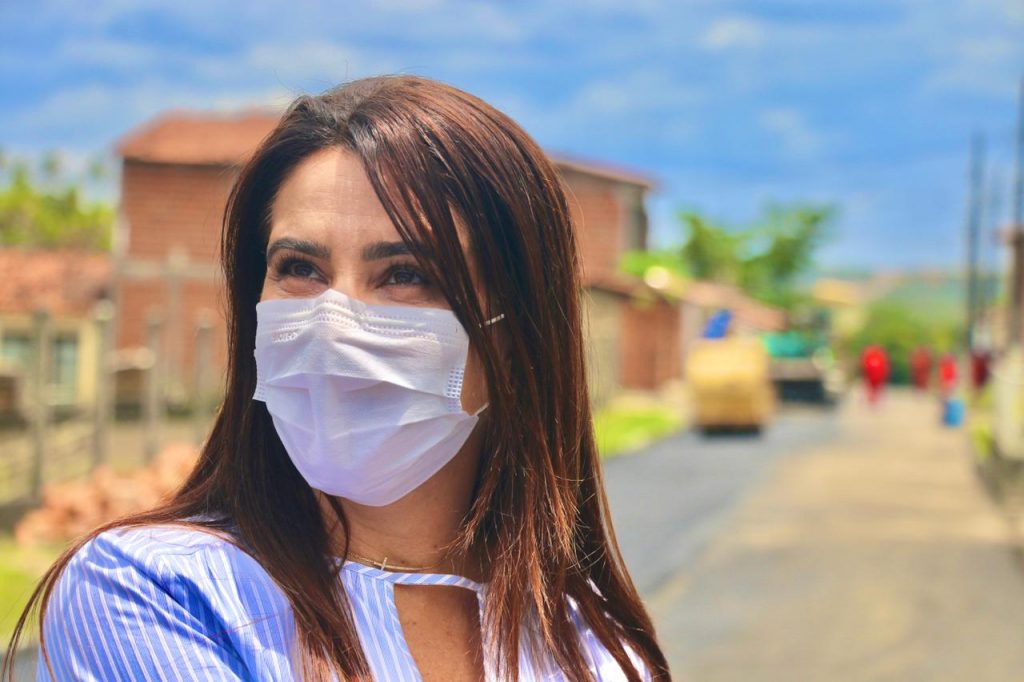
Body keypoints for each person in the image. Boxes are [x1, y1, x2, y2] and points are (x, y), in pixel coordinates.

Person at [3, 76, 668, 681]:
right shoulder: (158, 593)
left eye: (405, 275)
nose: (333, 321)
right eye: (300, 269)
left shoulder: (589, 647)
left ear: (515, 334)